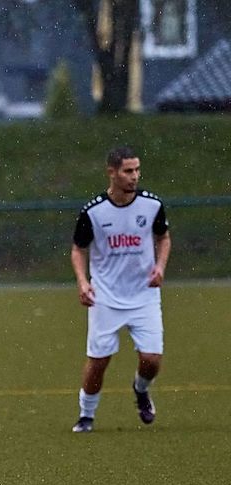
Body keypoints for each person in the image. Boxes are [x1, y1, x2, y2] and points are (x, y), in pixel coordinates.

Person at [70, 146, 171, 433]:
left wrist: (160, 267)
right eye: (128, 171)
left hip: (144, 295)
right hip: (106, 297)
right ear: (112, 173)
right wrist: (83, 281)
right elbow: (78, 249)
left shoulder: (152, 205)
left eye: (137, 170)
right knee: (99, 361)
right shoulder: (93, 211)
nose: (135, 176)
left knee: (151, 360)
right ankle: (86, 415)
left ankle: (141, 389)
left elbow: (163, 238)